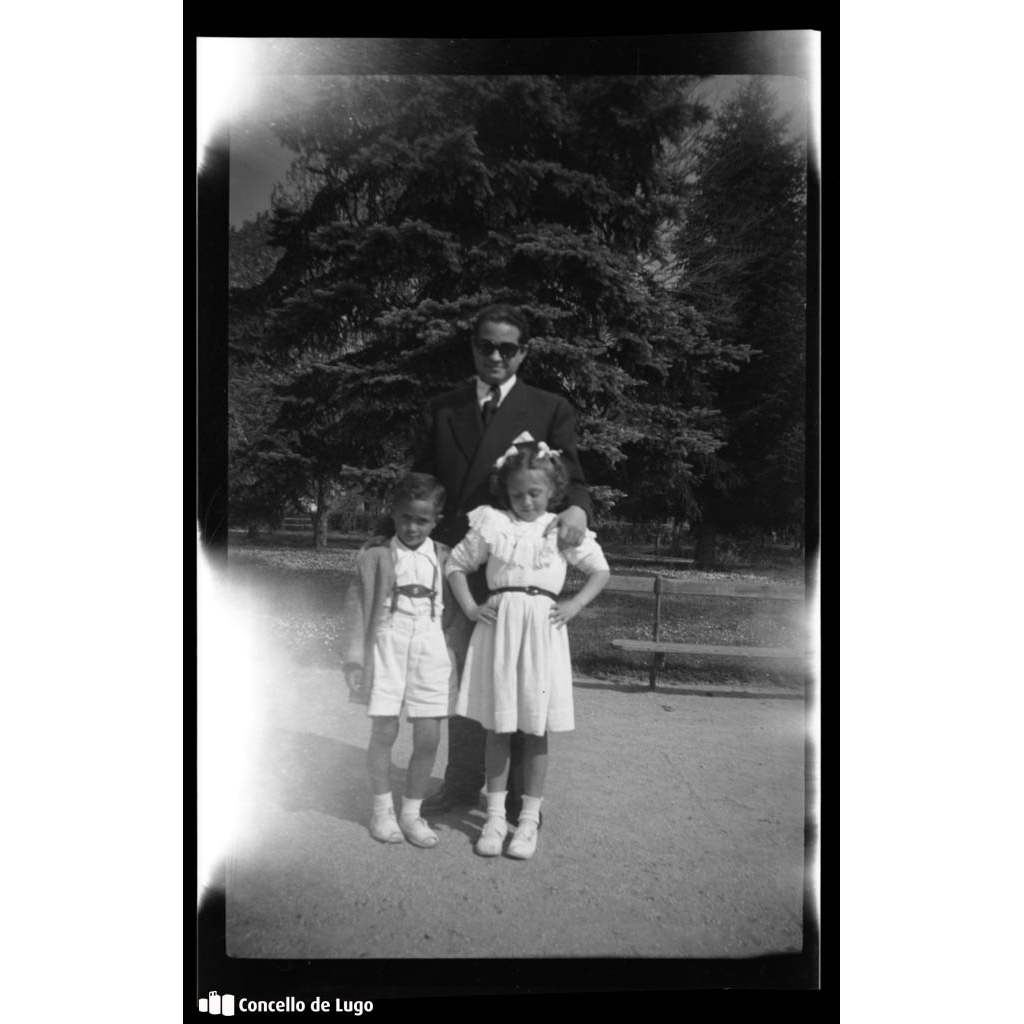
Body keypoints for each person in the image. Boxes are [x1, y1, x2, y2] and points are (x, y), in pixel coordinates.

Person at [411, 303, 594, 822]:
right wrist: (393, 540)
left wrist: (578, 505)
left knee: (520, 676)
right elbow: (421, 484)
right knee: (466, 677)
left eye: (507, 347)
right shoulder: (443, 407)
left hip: (518, 564)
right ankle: (463, 784)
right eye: (486, 344)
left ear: (524, 353)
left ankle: (516, 796)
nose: (495, 355)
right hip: (460, 559)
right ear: (472, 346)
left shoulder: (549, 407)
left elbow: (572, 476)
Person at [445, 441, 610, 858]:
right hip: (500, 627)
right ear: (506, 491)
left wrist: (574, 604)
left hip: (542, 630)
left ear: (552, 490)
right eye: (518, 493)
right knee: (498, 726)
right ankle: (496, 817)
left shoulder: (560, 528)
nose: (525, 501)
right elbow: (456, 565)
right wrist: (469, 605)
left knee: (535, 729)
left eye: (534, 493)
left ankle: (529, 820)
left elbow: (600, 569)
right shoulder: (492, 523)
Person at [342, 473, 458, 848]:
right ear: (393, 514)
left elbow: (454, 609)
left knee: (428, 736)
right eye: (405, 517)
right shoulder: (375, 555)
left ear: (435, 521)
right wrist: (355, 661)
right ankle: (381, 810)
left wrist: (447, 648)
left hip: (429, 647)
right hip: (387, 646)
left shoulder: (444, 558)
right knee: (385, 731)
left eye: (421, 520)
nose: (412, 526)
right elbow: (358, 609)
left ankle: (411, 812)